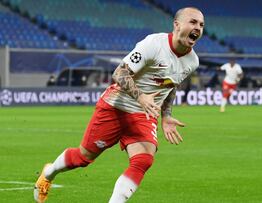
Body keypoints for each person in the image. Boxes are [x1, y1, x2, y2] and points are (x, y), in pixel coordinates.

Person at [34, 7, 204, 203]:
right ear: (177, 25)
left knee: (144, 160)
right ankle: (49, 173)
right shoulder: (153, 44)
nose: (197, 28)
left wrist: (166, 115)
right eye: (193, 22)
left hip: (143, 114)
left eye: (201, 25)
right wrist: (141, 97)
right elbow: (119, 73)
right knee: (83, 157)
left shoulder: (192, 61)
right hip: (115, 107)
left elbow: (171, 84)